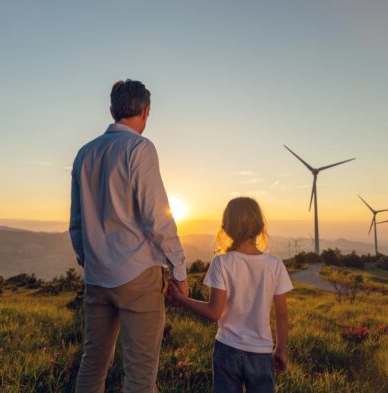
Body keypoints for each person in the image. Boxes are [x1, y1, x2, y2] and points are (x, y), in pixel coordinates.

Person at [70, 79, 188, 393]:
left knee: (92, 364)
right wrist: (178, 269)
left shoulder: (84, 154)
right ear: (147, 111)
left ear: (112, 110)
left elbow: (77, 222)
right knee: (139, 374)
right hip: (137, 275)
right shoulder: (140, 148)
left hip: (96, 277)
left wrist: (89, 258)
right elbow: (157, 217)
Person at [169, 197, 293, 393]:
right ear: (260, 227)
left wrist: (183, 300)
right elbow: (282, 314)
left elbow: (213, 312)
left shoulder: (221, 263)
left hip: (227, 349)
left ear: (226, 228)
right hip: (261, 353)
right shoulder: (275, 264)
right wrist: (281, 350)